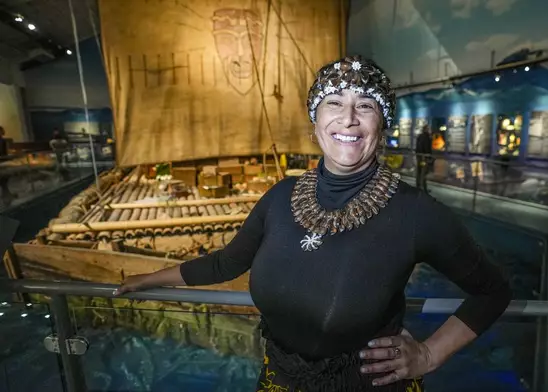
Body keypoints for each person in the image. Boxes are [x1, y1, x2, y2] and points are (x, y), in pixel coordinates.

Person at [116, 56, 511, 391]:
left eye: (366, 106)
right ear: (315, 122)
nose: (349, 119)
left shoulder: (416, 212)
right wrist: (148, 279)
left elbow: (492, 292)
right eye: (334, 102)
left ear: (382, 125)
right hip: (278, 380)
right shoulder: (280, 196)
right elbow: (226, 263)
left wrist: (429, 353)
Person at [415, 124, 432, 193]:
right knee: (424, 172)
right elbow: (427, 148)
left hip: (419, 156)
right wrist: (429, 156)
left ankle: (418, 186)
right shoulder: (427, 137)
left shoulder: (419, 136)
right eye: (429, 129)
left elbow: (417, 147)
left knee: (419, 171)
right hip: (424, 157)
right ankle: (424, 188)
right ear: (426, 129)